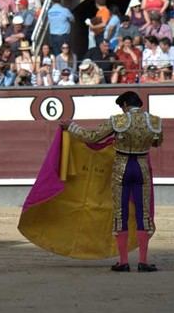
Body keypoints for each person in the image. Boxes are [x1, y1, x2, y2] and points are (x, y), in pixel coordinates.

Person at [61, 91, 163, 272]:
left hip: (122, 168)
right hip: (141, 168)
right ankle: (143, 261)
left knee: (120, 212)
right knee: (143, 213)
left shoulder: (118, 120)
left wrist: (72, 127)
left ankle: (123, 262)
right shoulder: (154, 121)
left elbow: (92, 137)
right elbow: (157, 142)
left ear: (125, 105)